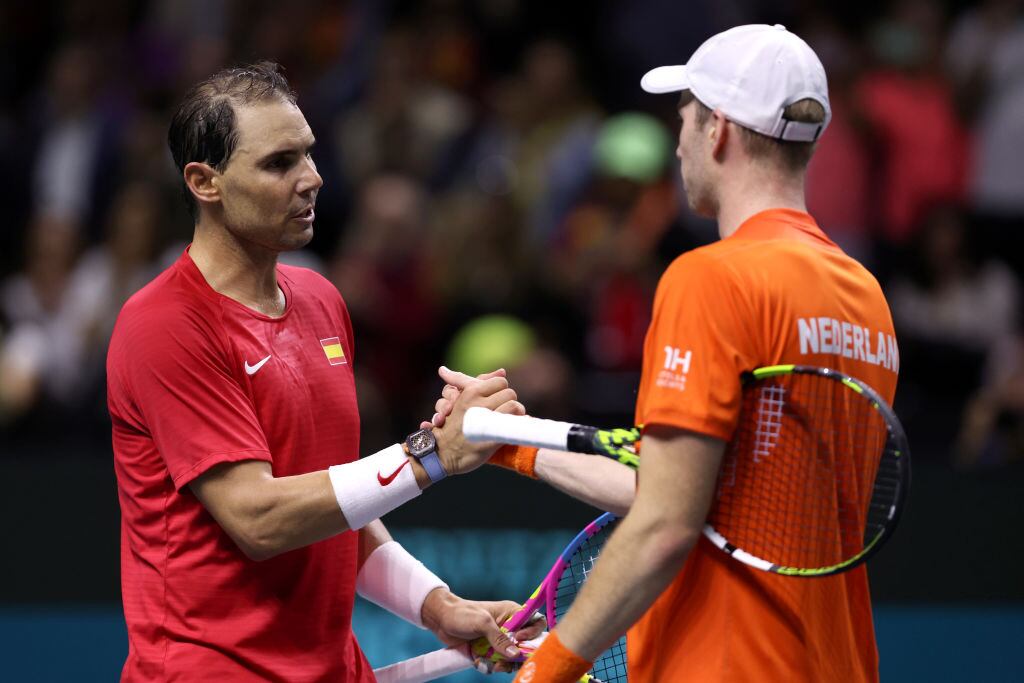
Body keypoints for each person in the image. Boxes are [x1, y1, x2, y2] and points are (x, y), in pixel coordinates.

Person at [445, 24, 901, 683]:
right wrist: (508, 444)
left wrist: (551, 667)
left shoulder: (710, 278)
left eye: (683, 117)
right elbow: (698, 492)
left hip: (727, 664)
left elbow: (665, 521)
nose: (677, 142)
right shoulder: (866, 298)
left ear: (716, 129)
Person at [106, 62, 538, 682]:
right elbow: (259, 518)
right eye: (279, 164)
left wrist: (436, 605)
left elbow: (333, 508)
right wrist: (430, 456)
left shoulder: (322, 300)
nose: (312, 179)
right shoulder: (163, 324)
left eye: (308, 155)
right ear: (206, 182)